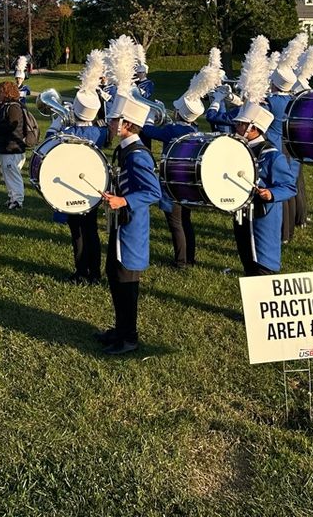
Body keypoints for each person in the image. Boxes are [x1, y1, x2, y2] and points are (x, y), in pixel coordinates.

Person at [96, 92, 163, 355]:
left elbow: (153, 192)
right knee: (114, 275)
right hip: (120, 224)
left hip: (131, 228)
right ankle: (120, 328)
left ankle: (130, 337)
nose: (110, 124)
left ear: (125, 124)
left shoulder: (138, 155)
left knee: (126, 282)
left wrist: (123, 202)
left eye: (114, 121)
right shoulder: (124, 150)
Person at [48, 87, 108, 284]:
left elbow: (49, 143)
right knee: (91, 230)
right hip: (94, 186)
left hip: (70, 186)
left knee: (77, 232)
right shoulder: (101, 132)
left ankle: (81, 271)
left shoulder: (67, 132)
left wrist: (56, 123)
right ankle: (96, 273)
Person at [230, 102, 297, 276]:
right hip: (243, 214)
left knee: (263, 263)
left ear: (253, 128)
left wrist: (271, 193)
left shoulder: (272, 156)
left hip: (263, 217)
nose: (236, 127)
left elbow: (289, 186)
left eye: (241, 124)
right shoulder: (239, 148)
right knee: (247, 258)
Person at [144, 94, 203, 269]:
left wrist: (149, 116)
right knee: (185, 221)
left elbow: (148, 131)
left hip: (172, 182)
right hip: (187, 182)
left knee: (176, 224)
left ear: (180, 113)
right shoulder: (194, 129)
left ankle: (181, 261)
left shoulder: (173, 130)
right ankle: (190, 258)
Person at [264, 64, 299, 244]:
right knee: (290, 186)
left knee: (278, 188)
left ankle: (282, 233)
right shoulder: (294, 100)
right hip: (291, 146)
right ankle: (290, 230)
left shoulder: (271, 102)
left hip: (276, 145)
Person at [0, 80, 26, 210]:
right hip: (6, 146)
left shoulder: (13, 107)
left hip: (12, 147)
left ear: (7, 93)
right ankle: (12, 197)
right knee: (8, 174)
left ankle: (18, 200)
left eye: (1, 92)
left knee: (13, 175)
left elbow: (12, 126)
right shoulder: (7, 106)